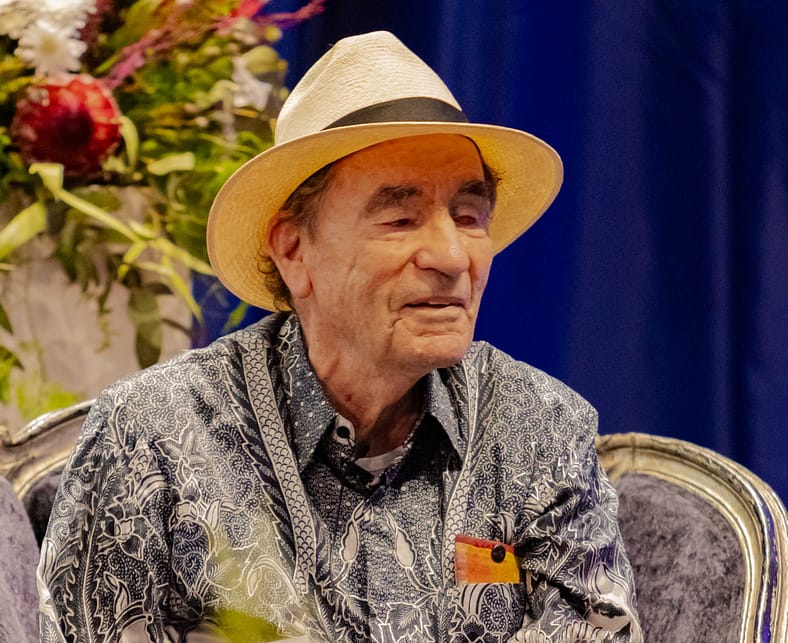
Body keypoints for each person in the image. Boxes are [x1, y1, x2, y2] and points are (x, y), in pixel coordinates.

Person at [38, 31, 642, 642]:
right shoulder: (154, 436)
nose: (452, 256)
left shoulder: (540, 430)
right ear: (294, 250)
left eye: (468, 216)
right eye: (400, 219)